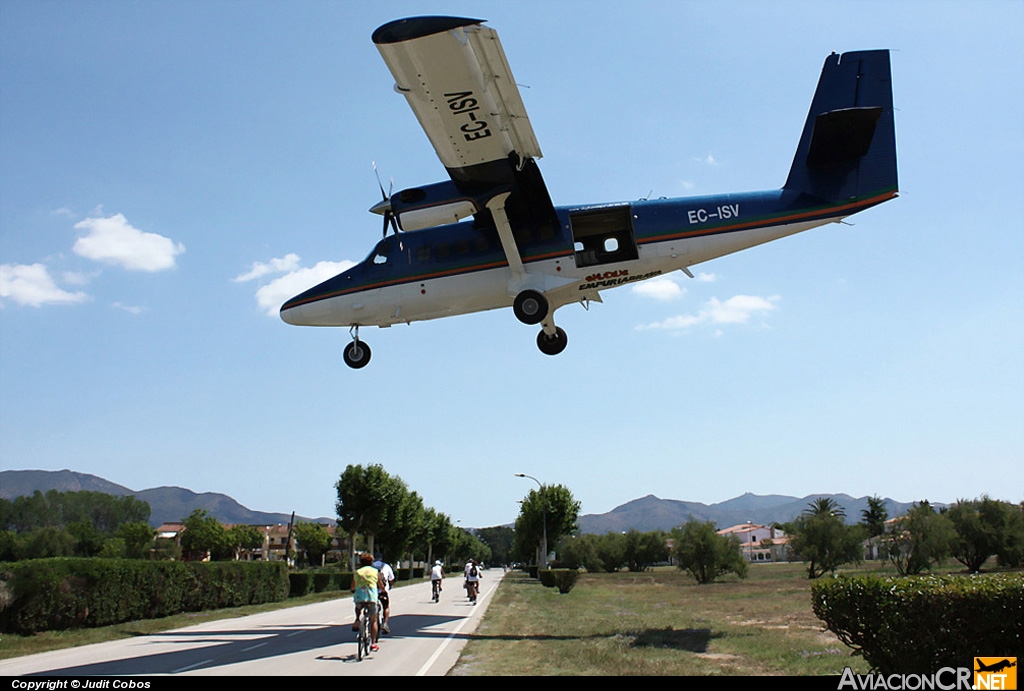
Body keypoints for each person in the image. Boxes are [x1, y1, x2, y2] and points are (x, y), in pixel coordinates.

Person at [351, 552, 381, 651]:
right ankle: (373, 642)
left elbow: (353, 586)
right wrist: (383, 590)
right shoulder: (375, 571)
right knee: (373, 620)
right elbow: (380, 584)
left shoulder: (358, 572)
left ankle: (357, 619)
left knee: (358, 607)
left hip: (360, 597)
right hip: (372, 598)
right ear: (371, 562)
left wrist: (353, 590)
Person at [372, 555, 396, 634]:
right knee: (386, 607)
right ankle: (385, 623)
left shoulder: (371, 566)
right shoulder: (386, 566)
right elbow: (391, 579)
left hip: (372, 592)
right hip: (383, 591)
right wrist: (390, 585)